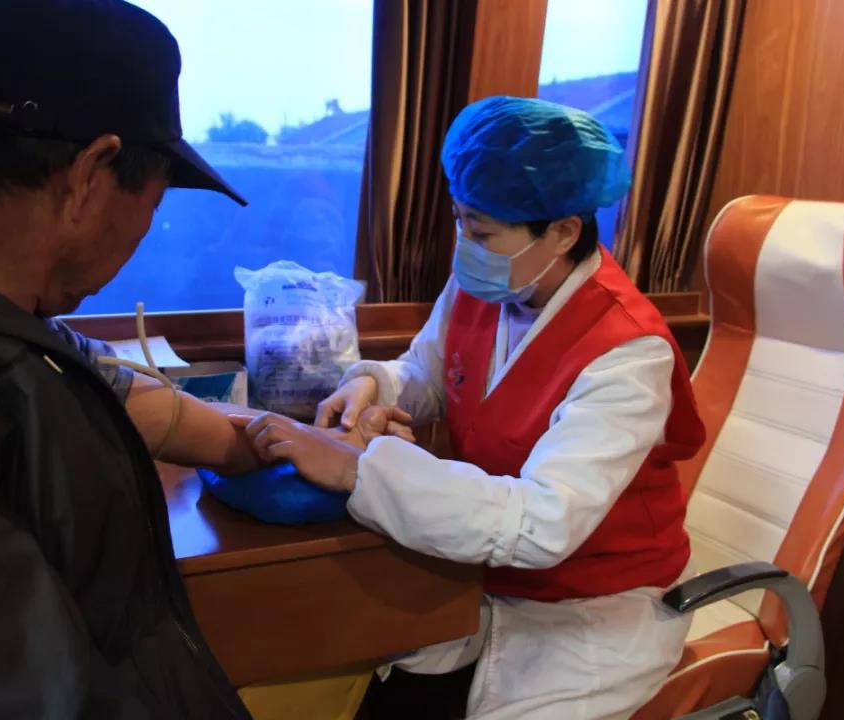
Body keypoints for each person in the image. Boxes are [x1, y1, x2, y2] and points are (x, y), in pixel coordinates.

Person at [0, 1, 293, 716]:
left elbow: (103, 384)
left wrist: (287, 440)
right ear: (91, 172)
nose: (144, 233)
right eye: (153, 203)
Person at [230, 96, 707, 719]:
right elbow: (432, 371)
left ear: (564, 231)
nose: (465, 245)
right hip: (484, 570)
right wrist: (375, 385)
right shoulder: (490, 282)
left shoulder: (628, 353)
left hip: (595, 602)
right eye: (460, 221)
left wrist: (356, 468)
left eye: (481, 232)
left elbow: (545, 524)